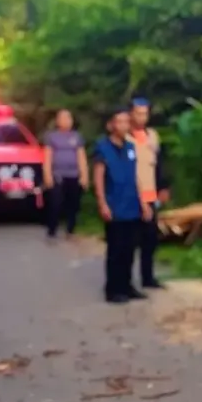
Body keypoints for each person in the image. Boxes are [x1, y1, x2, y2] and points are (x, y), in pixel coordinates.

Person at [93, 108, 146, 304]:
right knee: (116, 250)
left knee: (130, 250)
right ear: (111, 125)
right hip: (114, 204)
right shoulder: (103, 148)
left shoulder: (130, 147)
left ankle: (127, 286)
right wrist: (102, 203)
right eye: (120, 121)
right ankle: (113, 289)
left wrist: (143, 202)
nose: (124, 125)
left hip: (131, 204)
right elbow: (98, 177)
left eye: (126, 122)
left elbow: (135, 176)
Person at [128, 97, 170, 289]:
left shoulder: (152, 136)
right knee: (130, 241)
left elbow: (159, 163)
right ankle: (126, 281)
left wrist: (163, 187)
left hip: (150, 193)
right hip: (130, 195)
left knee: (150, 239)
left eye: (145, 113)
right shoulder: (125, 138)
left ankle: (148, 277)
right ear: (131, 114)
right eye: (138, 113)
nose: (142, 117)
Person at [43, 109, 89, 240]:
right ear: (57, 121)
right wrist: (47, 175)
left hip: (74, 175)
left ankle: (70, 229)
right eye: (62, 118)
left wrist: (84, 176)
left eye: (68, 118)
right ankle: (52, 229)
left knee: (73, 204)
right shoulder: (52, 137)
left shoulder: (77, 137)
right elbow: (47, 157)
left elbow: (81, 157)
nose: (66, 121)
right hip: (57, 174)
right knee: (55, 203)